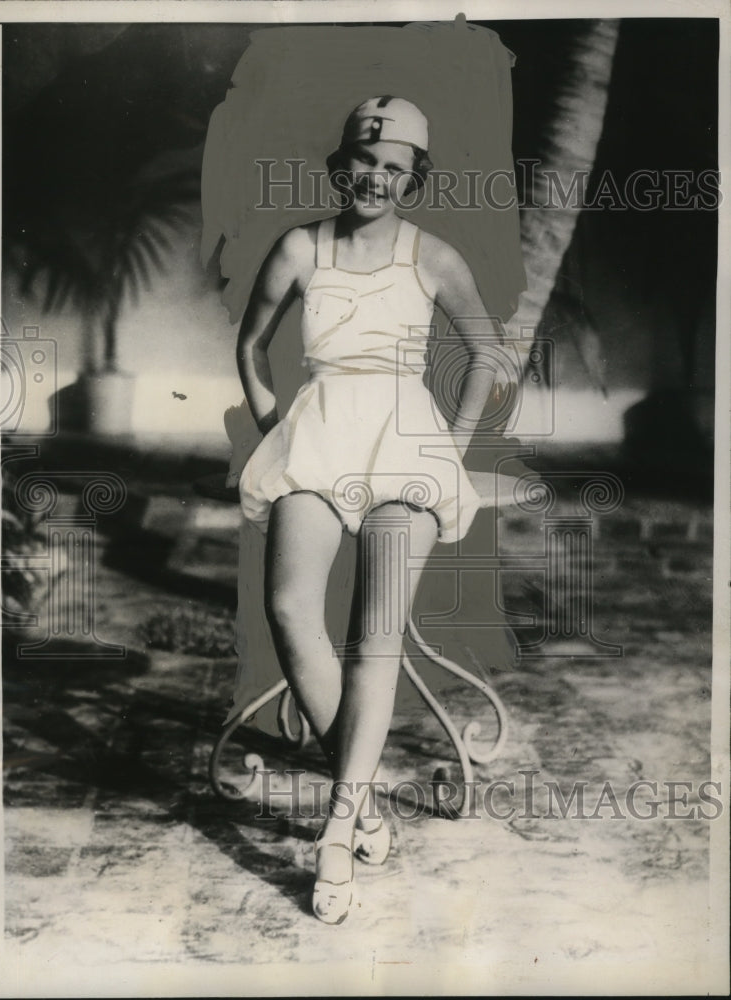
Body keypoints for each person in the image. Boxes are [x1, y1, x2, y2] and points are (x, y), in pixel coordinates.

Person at [235, 96, 508, 924]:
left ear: (412, 178)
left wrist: (450, 451)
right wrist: (277, 428)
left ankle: (337, 829)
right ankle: (367, 803)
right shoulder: (300, 247)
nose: (376, 177)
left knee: (374, 635)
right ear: (341, 164)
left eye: (395, 167)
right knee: (289, 607)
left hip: (407, 445)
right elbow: (249, 346)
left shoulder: (432, 255)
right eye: (364, 160)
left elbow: (487, 354)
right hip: (322, 431)